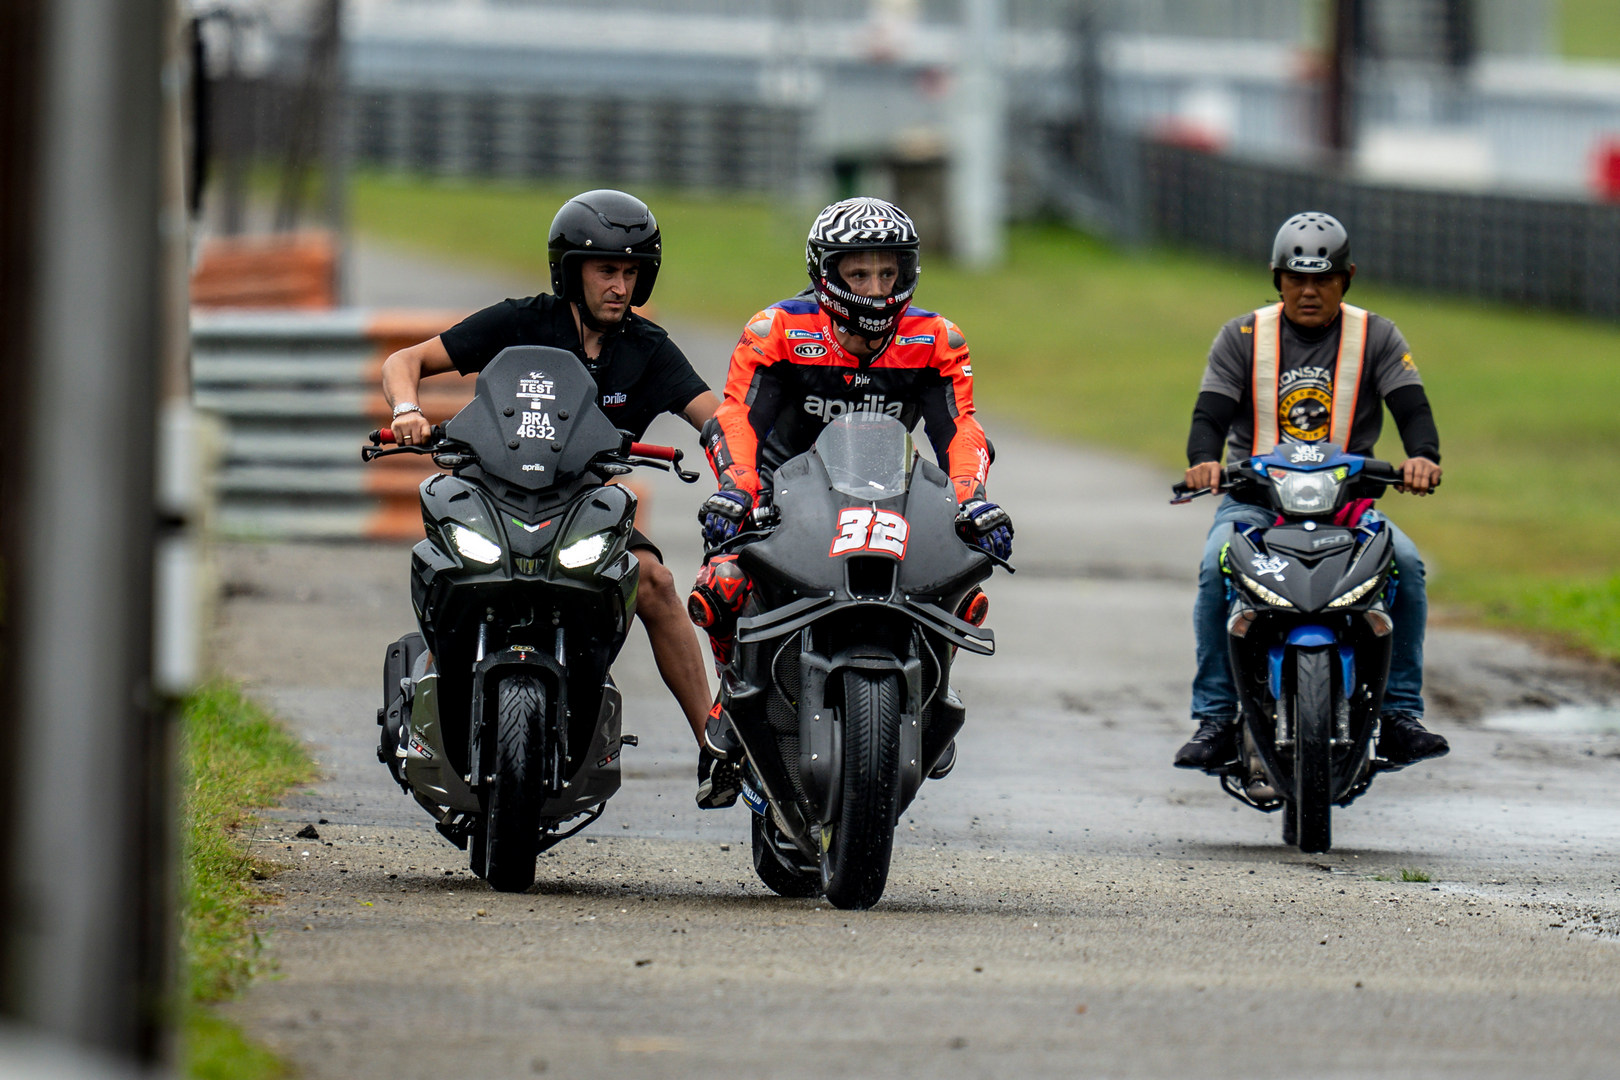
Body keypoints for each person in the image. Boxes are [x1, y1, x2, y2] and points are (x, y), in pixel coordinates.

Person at [689, 196, 1013, 808]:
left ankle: (934, 691)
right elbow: (736, 417)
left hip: (887, 493)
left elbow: (961, 430)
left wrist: (973, 502)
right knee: (722, 583)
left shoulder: (937, 338)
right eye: (859, 273)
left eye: (888, 272)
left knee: (961, 581)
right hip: (782, 497)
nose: (876, 286)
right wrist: (736, 491)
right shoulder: (777, 329)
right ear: (825, 273)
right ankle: (730, 701)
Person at [380, 189, 719, 749]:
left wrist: (742, 465)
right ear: (570, 271)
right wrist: (407, 409)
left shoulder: (650, 349)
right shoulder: (521, 321)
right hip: (492, 501)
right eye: (606, 269)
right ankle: (429, 701)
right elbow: (404, 362)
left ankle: (713, 743)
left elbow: (718, 419)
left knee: (655, 581)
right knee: (444, 565)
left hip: (583, 513)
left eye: (633, 273)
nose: (621, 286)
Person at [1174, 211, 1449, 771]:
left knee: (1410, 565)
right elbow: (1209, 417)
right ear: (1276, 278)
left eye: (1322, 278)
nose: (1308, 290)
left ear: (1347, 277)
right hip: (1255, 508)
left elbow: (1414, 410)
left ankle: (1399, 714)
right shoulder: (1242, 336)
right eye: (1296, 278)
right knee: (1213, 567)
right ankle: (1216, 719)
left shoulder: (1378, 335)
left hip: (1349, 511)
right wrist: (1204, 462)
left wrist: (1423, 458)